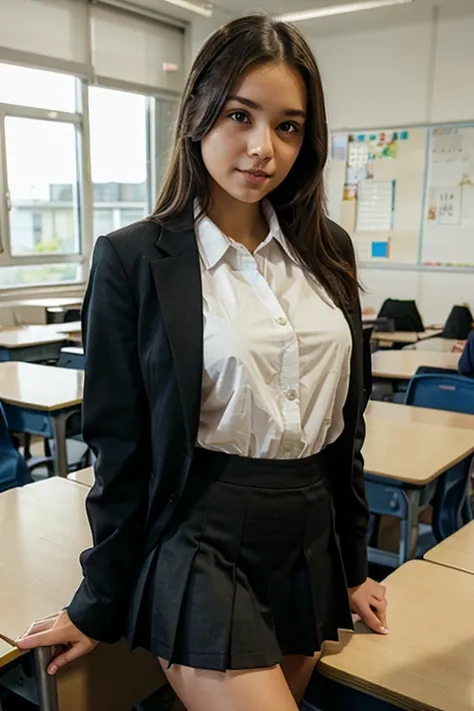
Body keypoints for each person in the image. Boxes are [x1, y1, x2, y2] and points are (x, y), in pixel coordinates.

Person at [16, 14, 388, 711]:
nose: (262, 147)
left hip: (307, 537)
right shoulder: (135, 259)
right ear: (197, 113)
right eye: (240, 115)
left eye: (288, 126)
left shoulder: (327, 249)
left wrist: (355, 565)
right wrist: (98, 599)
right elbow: (121, 448)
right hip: (200, 536)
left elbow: (348, 432)